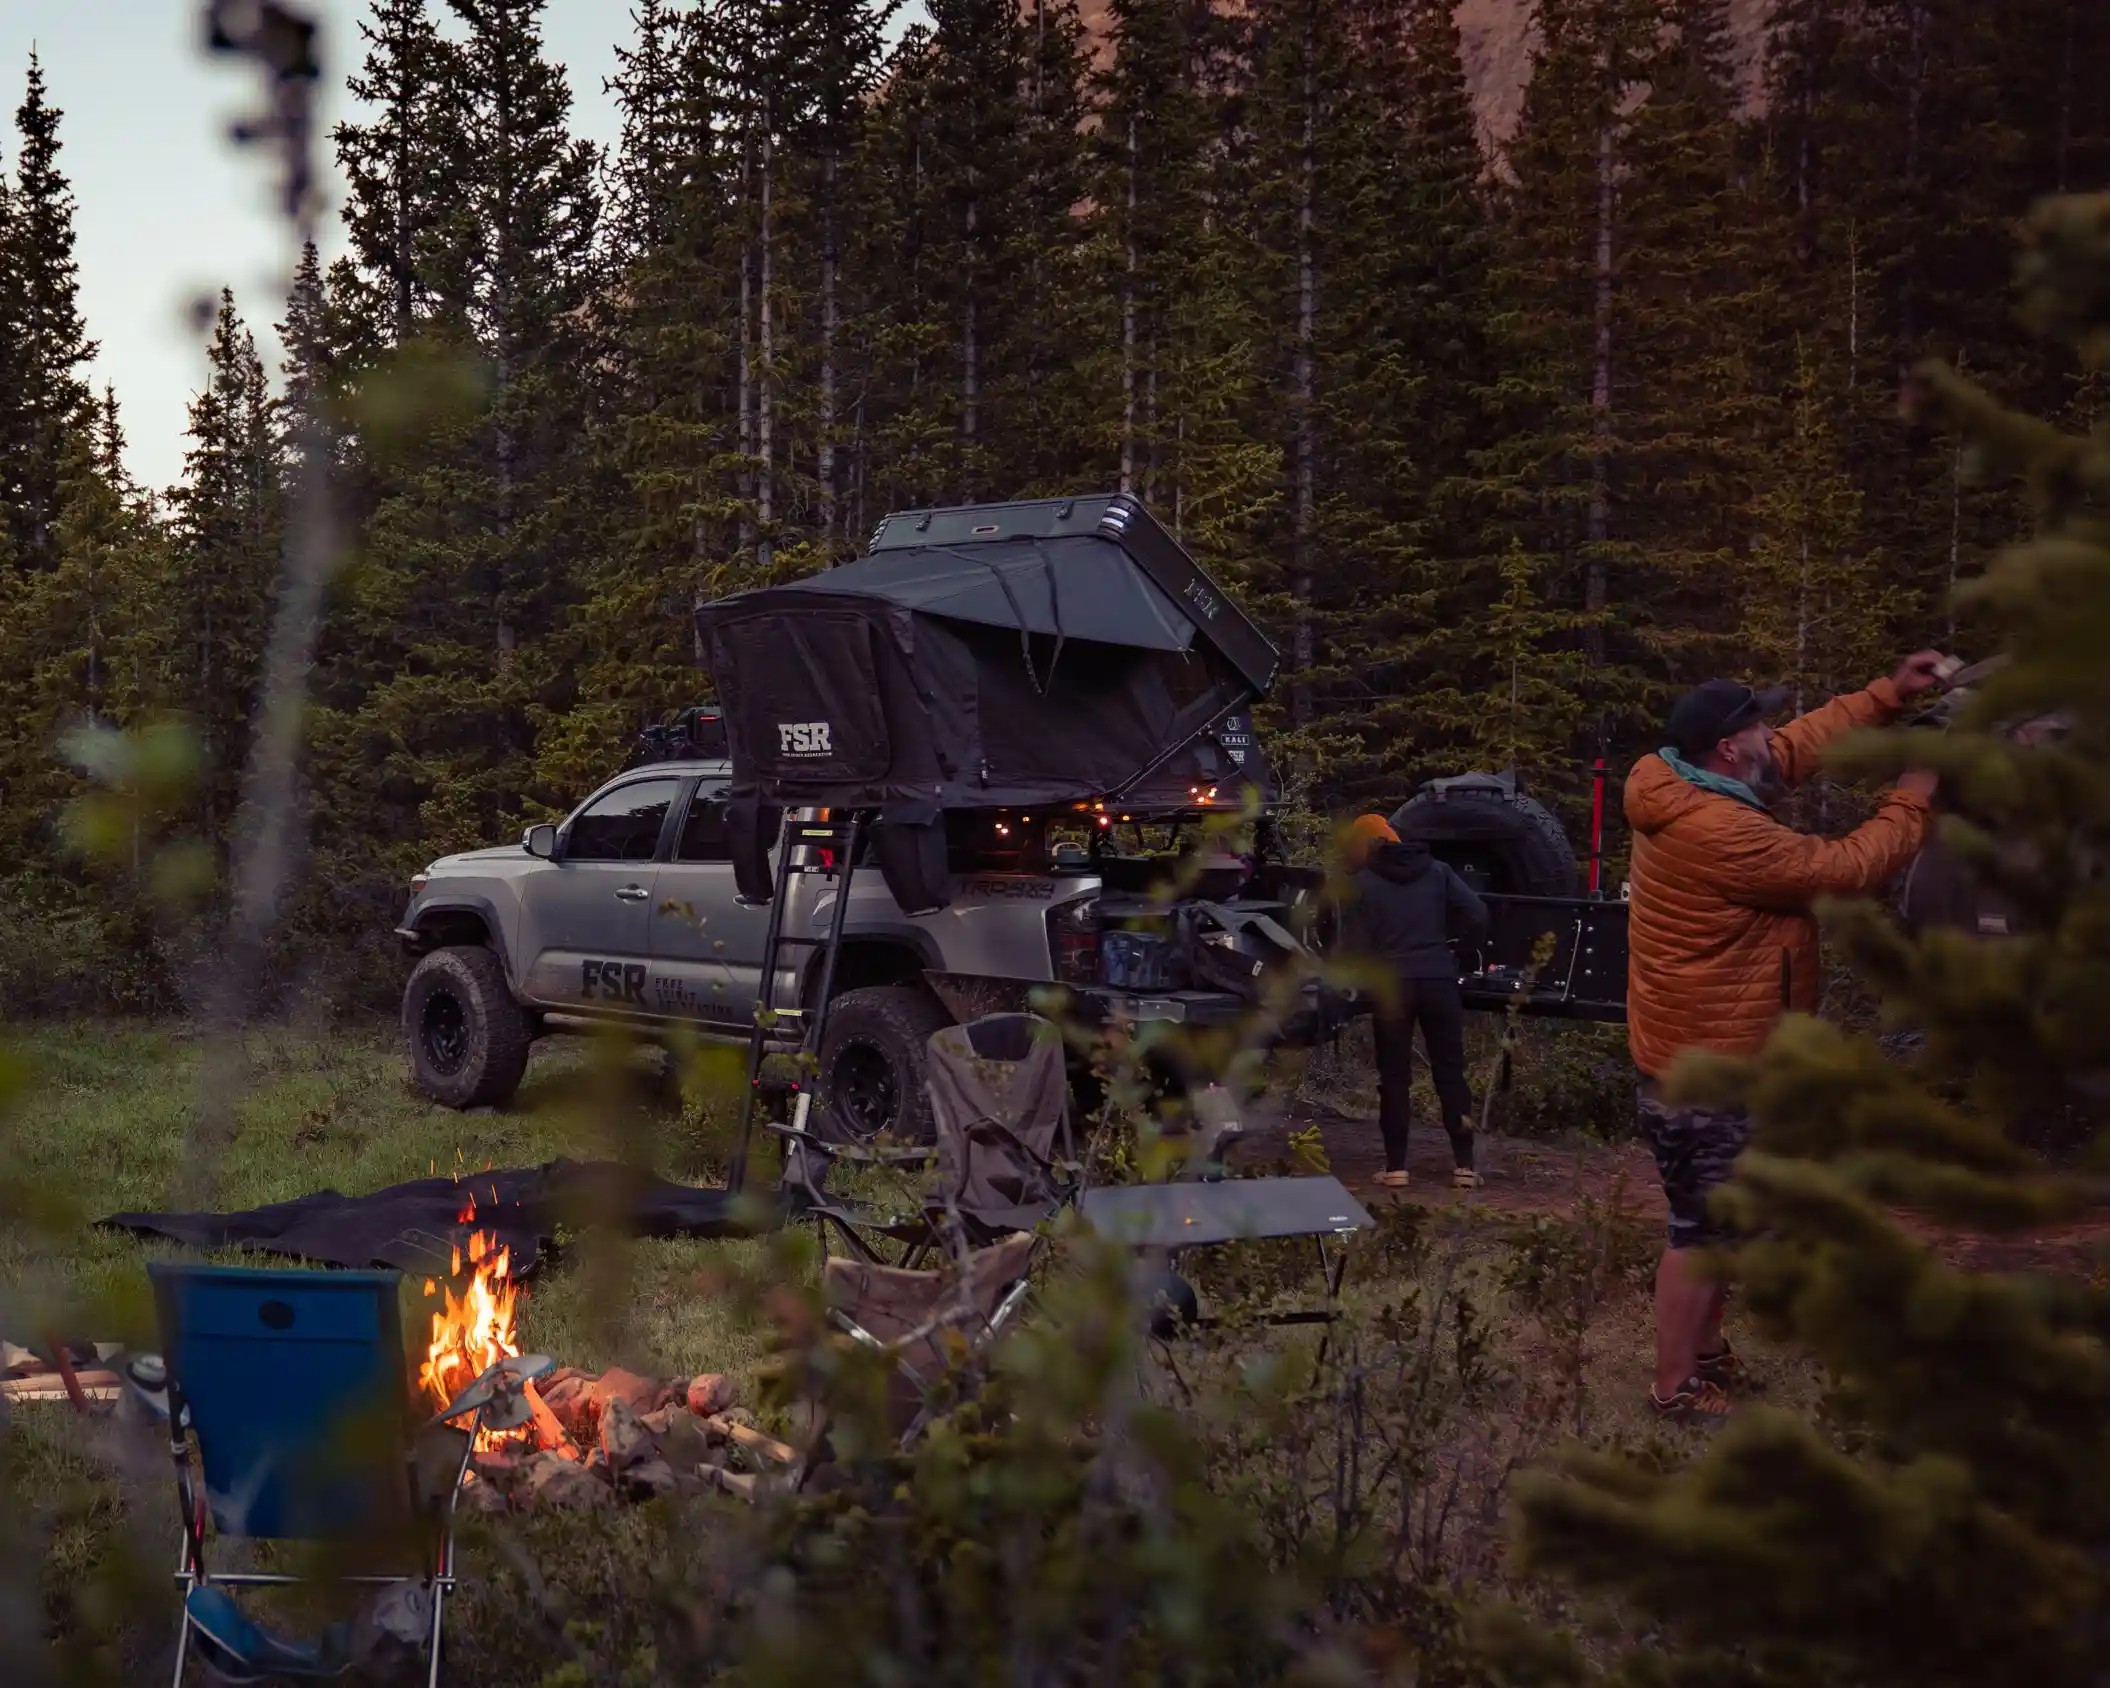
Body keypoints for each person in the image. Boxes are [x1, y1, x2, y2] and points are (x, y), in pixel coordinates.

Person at [1626, 654, 1946, 1422]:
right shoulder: (1720, 829)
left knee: (1720, 1216)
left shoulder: (1687, 781)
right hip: (1708, 1064)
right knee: (1700, 1230)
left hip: (1704, 1048)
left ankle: (1702, 1357)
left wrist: (1885, 696)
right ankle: (1673, 1386)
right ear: (1730, 748)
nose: (1773, 732)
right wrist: (1913, 795)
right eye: (1758, 723)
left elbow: (1794, 748)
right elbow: (1842, 869)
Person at [1343, 816, 1490, 1191]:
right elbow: (1476, 913)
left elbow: (1354, 945)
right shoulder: (1438, 872)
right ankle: (1465, 1166)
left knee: (1394, 1078)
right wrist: (1451, 946)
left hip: (1392, 985)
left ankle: (1395, 1168)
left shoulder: (1364, 882)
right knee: (1450, 1072)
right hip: (1438, 979)